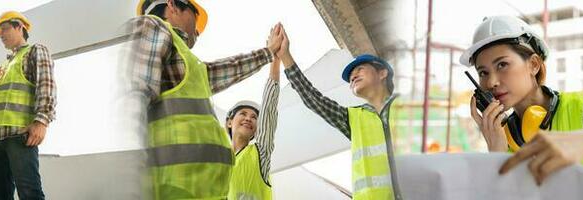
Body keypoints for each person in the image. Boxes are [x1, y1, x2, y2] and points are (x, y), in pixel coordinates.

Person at [461, 16, 583, 184]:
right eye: (483, 73)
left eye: (502, 64)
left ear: (533, 65)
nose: (491, 82)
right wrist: (496, 155)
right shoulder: (501, 136)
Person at [128, 0, 283, 198]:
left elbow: (224, 70)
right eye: (195, 16)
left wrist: (269, 54)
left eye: (254, 117)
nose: (198, 32)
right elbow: (133, 98)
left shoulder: (187, 65)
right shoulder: (151, 28)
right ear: (173, 5)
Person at [276, 27, 402, 199]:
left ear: (382, 73)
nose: (353, 76)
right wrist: (285, 56)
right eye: (350, 76)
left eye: (360, 69)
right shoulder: (353, 118)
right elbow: (314, 99)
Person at [0, 11, 56, 199]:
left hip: (20, 134)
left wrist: (41, 121)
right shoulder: (5, 67)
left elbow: (46, 84)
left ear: (20, 27)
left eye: (5, 29)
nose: (1, 35)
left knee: (29, 192)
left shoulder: (35, 51)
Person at [227, 58, 281, 200]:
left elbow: (269, 108)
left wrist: (276, 59)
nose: (248, 118)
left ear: (257, 129)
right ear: (229, 122)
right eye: (243, 114)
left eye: (254, 117)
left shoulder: (260, 152)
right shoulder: (217, 162)